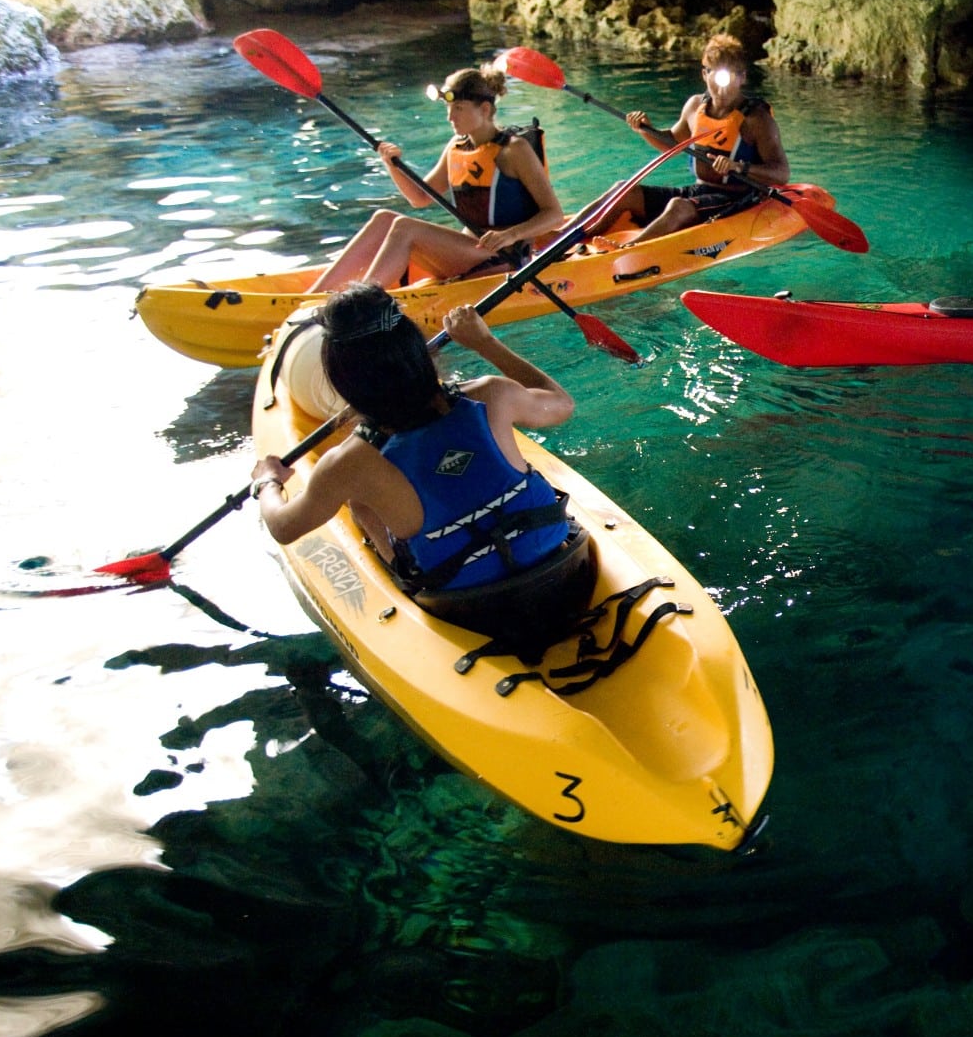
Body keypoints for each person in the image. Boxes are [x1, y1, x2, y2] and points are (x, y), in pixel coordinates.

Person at [250, 286, 583, 612]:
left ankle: (406, 590)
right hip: (556, 558)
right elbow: (562, 404)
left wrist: (267, 482)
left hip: (464, 600)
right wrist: (485, 343)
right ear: (418, 351)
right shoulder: (493, 395)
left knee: (360, 504)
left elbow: (284, 527)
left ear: (343, 381)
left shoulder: (348, 464)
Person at [309, 64, 570, 291]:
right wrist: (391, 165)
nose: (450, 117)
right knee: (384, 219)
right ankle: (313, 296)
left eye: (459, 108)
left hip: (502, 257)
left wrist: (511, 235)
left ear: (485, 109)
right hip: (469, 250)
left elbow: (554, 215)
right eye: (448, 107)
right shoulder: (456, 147)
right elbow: (419, 198)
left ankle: (362, 302)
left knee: (404, 228)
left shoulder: (514, 150)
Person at [579, 33, 789, 245]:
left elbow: (781, 173)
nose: (722, 88)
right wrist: (645, 129)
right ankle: (565, 235)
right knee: (623, 190)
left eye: (729, 77)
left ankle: (626, 250)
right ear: (705, 74)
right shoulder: (695, 106)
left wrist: (739, 167)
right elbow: (671, 143)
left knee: (678, 206)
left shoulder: (757, 119)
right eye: (716, 77)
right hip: (699, 191)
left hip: (737, 199)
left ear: (742, 77)